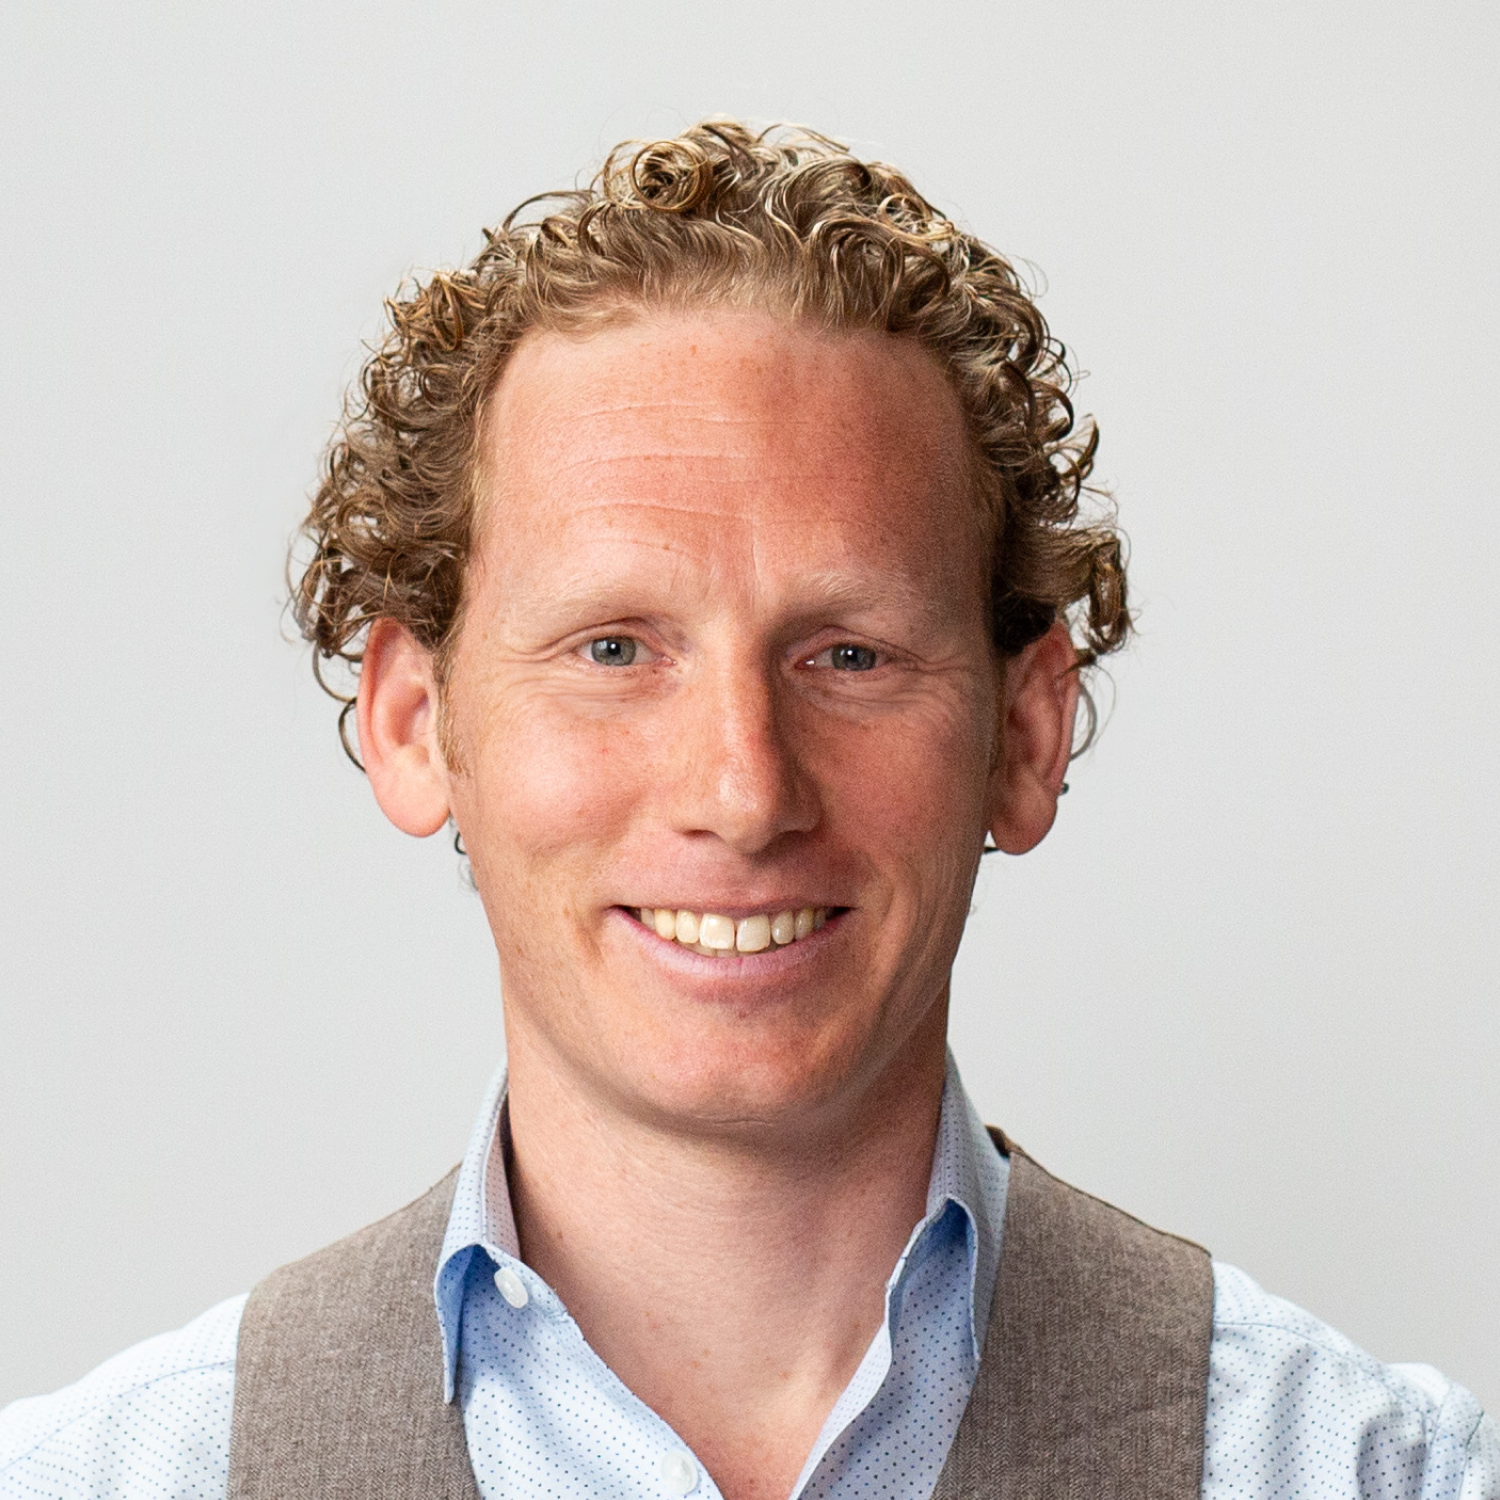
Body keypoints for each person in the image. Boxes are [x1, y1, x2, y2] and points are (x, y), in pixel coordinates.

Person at [1, 119, 1494, 1500]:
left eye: (848, 653)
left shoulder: (1377, 1475)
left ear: (1026, 733)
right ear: (415, 723)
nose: (743, 787)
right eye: (612, 650)